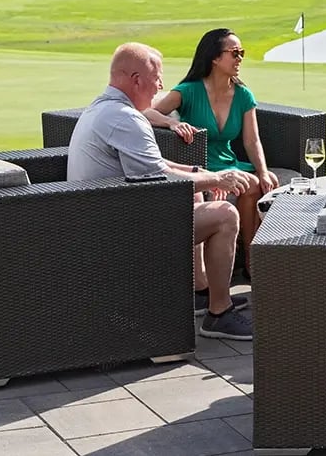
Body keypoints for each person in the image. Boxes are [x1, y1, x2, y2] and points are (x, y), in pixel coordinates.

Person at [68, 42, 259, 341]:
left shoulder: (103, 108)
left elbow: (154, 164)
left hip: (99, 216)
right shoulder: (126, 119)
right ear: (135, 79)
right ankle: (219, 314)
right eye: (157, 77)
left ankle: (200, 292)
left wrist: (202, 174)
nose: (160, 85)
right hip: (117, 232)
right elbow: (159, 178)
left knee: (194, 194)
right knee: (226, 215)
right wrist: (219, 181)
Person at [146, 28, 280, 257]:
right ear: (215, 58)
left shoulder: (243, 94)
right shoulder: (188, 91)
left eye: (242, 53)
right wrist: (171, 124)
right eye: (235, 53)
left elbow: (252, 139)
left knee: (265, 181)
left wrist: (264, 171)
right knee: (251, 184)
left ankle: (247, 251)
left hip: (229, 162)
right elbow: (146, 112)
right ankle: (247, 253)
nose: (239, 59)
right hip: (199, 165)